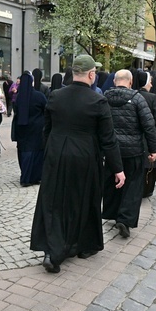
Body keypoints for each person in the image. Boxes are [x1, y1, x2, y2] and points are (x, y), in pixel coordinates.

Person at [30, 55, 124, 274]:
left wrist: (51, 151)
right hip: (85, 156)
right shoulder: (98, 101)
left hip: (56, 154)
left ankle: (52, 249)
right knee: (84, 200)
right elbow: (108, 139)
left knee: (53, 201)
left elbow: (47, 129)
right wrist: (118, 169)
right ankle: (83, 245)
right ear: (92, 74)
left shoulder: (55, 96)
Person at [102, 70, 156, 239]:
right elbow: (149, 125)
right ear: (131, 81)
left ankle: (111, 212)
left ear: (114, 81)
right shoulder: (137, 98)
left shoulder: (104, 98)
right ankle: (125, 219)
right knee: (133, 185)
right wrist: (153, 149)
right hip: (133, 150)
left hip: (111, 150)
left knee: (112, 182)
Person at [134, 70, 156, 199]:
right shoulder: (152, 97)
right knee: (148, 165)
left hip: (133, 137)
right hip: (148, 136)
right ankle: (145, 190)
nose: (151, 85)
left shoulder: (132, 95)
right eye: (150, 82)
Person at [12, 73, 47, 186]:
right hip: (37, 128)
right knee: (37, 152)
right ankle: (35, 176)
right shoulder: (39, 96)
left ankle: (25, 175)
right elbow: (46, 109)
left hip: (22, 127)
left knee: (24, 151)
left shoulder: (18, 97)